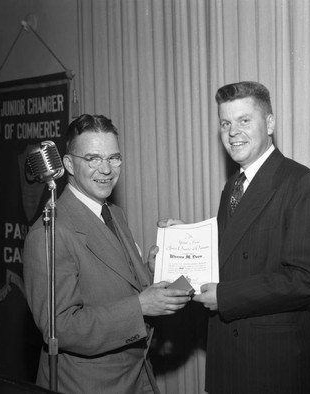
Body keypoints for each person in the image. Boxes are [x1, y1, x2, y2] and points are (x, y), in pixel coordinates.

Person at [23, 114, 191, 394]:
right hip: (89, 385)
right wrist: (140, 307)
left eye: (114, 158)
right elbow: (60, 328)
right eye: (93, 158)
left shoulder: (114, 213)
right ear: (68, 165)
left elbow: (117, 286)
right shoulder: (49, 232)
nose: (106, 169)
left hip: (137, 376)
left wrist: (150, 270)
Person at [192, 81, 310, 393]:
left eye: (244, 120)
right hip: (228, 359)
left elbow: (309, 278)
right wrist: (184, 240)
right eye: (225, 123)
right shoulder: (232, 186)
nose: (232, 132)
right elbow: (234, 252)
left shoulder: (302, 183)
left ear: (269, 123)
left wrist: (226, 297)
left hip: (273, 366)